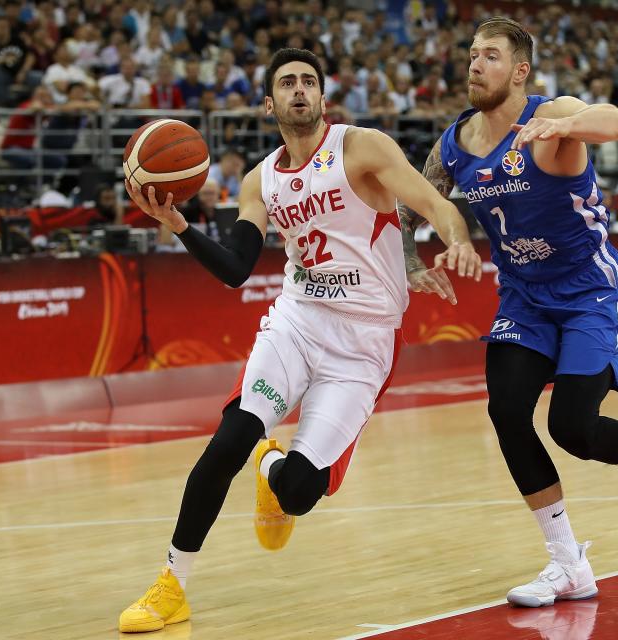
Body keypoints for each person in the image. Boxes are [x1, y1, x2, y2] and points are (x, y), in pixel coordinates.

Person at [118, 47, 481, 633]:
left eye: (309, 82)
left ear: (322, 97)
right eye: (287, 82)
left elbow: (432, 202)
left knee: (300, 493)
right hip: (297, 322)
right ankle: (171, 585)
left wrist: (456, 238)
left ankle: (275, 474)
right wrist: (181, 226)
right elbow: (238, 266)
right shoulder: (261, 179)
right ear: (270, 103)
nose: (299, 90)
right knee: (226, 444)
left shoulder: (361, 147)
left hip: (363, 344)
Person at [399, 17, 618, 609]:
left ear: (520, 70)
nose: (475, 65)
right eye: (472, 54)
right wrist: (412, 257)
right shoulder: (455, 143)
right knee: (508, 413)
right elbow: (415, 199)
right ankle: (568, 565)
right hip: (524, 298)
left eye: (490, 56)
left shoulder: (551, 116)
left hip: (588, 292)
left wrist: (567, 123)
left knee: (572, 429)